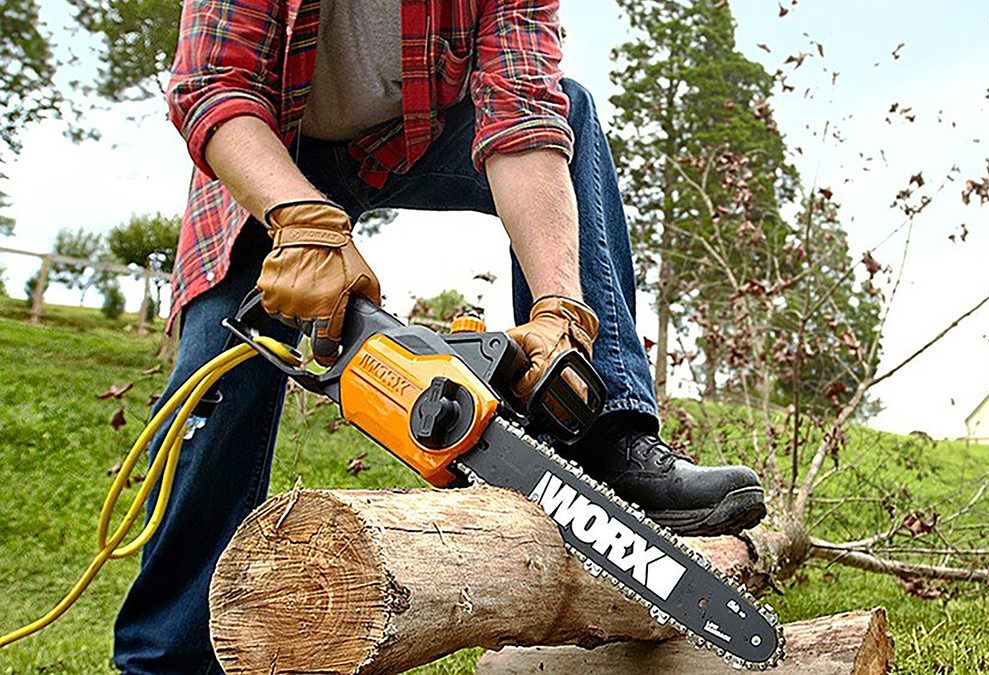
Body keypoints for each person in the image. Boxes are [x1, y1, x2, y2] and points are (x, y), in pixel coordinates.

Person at [113, 1, 767, 672]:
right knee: (215, 394)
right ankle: (167, 655)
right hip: (268, 147)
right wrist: (303, 222)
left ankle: (610, 437)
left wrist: (559, 311)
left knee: (569, 109)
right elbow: (213, 81)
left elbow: (523, 113)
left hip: (413, 136)